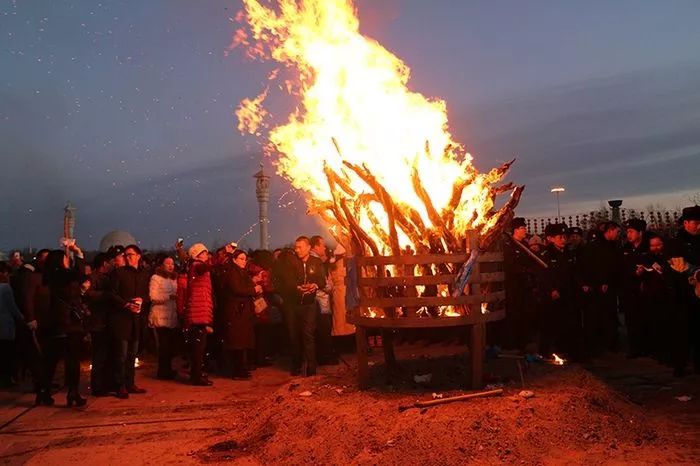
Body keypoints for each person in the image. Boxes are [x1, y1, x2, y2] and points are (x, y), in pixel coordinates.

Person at [42, 245, 90, 407]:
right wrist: (78, 253)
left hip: (55, 323)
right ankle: (73, 393)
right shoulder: (63, 275)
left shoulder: (49, 277)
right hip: (68, 323)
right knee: (72, 361)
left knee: (51, 360)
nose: (67, 260)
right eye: (65, 258)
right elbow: (80, 274)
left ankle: (44, 392)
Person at [109, 244, 150, 399]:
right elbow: (112, 294)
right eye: (126, 255)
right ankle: (120, 385)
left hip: (137, 320)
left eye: (131, 254)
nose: (128, 257)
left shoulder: (145, 274)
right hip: (122, 320)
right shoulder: (118, 273)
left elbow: (147, 294)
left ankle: (130, 382)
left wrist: (142, 300)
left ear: (138, 256)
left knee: (132, 354)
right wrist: (126, 304)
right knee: (121, 355)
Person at [539, 223, 579, 359]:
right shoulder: (546, 255)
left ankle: (565, 348)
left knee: (567, 322)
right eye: (560, 237)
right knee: (550, 323)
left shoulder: (569, 252)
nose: (563, 240)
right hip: (552, 295)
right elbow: (543, 275)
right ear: (551, 238)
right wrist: (551, 289)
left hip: (567, 293)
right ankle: (547, 350)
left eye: (564, 237)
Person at [668, 205, 700, 375]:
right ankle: (679, 364)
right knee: (682, 330)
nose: (699, 227)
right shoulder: (676, 242)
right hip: (682, 294)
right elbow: (677, 263)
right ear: (686, 223)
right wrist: (695, 271)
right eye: (696, 223)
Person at [218, 249, 260, 379]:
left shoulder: (240, 272)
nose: (244, 261)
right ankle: (237, 370)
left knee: (242, 341)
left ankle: (242, 368)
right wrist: (253, 289)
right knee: (237, 341)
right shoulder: (232, 272)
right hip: (236, 312)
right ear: (234, 260)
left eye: (245, 258)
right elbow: (237, 289)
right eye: (241, 258)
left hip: (242, 311)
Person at [583, 221, 623, 353]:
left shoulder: (614, 246)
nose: (618, 234)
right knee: (596, 317)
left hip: (610, 287)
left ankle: (610, 343)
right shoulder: (594, 247)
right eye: (617, 231)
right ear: (610, 231)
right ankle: (595, 344)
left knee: (610, 316)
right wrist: (597, 282)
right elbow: (591, 266)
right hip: (596, 288)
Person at [289, 236, 326, 376]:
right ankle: (296, 365)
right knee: (294, 335)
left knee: (308, 334)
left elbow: (322, 280)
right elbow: (288, 281)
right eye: (296, 247)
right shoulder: (292, 262)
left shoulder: (316, 262)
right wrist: (296, 287)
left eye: (300, 247)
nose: (296, 250)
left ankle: (311, 367)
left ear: (308, 247)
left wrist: (314, 285)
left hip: (309, 303)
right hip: (294, 304)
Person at [180, 243, 214, 386]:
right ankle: (196, 376)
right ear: (198, 255)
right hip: (197, 313)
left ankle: (197, 374)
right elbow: (205, 267)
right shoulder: (197, 266)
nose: (207, 255)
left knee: (199, 347)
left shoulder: (196, 266)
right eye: (204, 253)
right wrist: (223, 254)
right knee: (198, 347)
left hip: (200, 311)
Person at [22, 249, 53, 404]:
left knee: (49, 358)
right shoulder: (33, 277)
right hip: (39, 323)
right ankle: (41, 388)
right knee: (40, 357)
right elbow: (28, 298)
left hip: (51, 322)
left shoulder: (52, 278)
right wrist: (31, 318)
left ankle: (45, 388)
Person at [501, 218, 537, 351]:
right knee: (513, 313)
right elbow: (510, 265)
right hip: (513, 285)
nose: (525, 230)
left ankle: (523, 340)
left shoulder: (525, 246)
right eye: (522, 228)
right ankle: (511, 342)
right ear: (516, 230)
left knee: (525, 313)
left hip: (525, 285)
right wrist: (522, 270)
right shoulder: (509, 245)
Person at [84, 253, 113, 396]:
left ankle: (105, 384)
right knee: (99, 356)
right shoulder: (92, 278)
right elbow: (87, 294)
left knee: (106, 355)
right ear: (104, 263)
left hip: (106, 321)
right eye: (110, 262)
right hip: (97, 321)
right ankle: (97, 386)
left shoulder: (108, 277)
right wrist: (106, 295)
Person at [621, 219, 650, 358]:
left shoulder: (648, 247)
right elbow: (621, 267)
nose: (628, 234)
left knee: (647, 319)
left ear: (640, 232)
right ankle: (635, 348)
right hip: (630, 290)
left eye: (631, 231)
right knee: (631, 321)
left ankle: (649, 348)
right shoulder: (625, 248)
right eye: (627, 231)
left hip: (647, 290)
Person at [148, 255, 179, 380]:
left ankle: (167, 369)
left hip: (171, 315)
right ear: (162, 265)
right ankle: (163, 371)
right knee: (163, 346)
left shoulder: (173, 279)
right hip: (160, 316)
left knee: (169, 346)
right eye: (168, 263)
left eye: (172, 263)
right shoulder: (156, 278)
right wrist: (168, 297)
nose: (171, 266)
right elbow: (153, 296)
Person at [310, 235, 336, 365]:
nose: (325, 248)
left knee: (320, 329)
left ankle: (322, 356)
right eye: (323, 245)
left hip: (318, 301)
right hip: (321, 301)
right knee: (324, 329)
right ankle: (325, 357)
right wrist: (331, 288)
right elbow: (323, 282)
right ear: (316, 246)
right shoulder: (316, 262)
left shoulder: (315, 260)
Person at [0, 262, 23, 388]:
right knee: (7, 353)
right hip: (6, 325)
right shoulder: (6, 288)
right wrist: (21, 318)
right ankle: (7, 379)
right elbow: (12, 307)